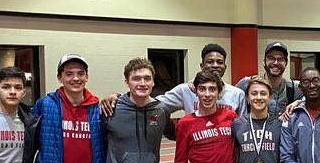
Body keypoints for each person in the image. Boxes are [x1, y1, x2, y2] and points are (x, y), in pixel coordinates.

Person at [101, 43, 247, 119]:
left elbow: (244, 127)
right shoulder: (185, 90)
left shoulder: (237, 94)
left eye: (219, 62)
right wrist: (119, 97)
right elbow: (152, 103)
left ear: (225, 67)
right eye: (210, 61)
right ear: (202, 66)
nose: (215, 65)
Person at [236, 41, 301, 117]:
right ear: (264, 61)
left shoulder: (294, 88)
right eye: (271, 58)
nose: (276, 63)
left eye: (281, 59)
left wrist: (299, 102)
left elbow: (315, 101)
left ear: (286, 63)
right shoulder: (247, 83)